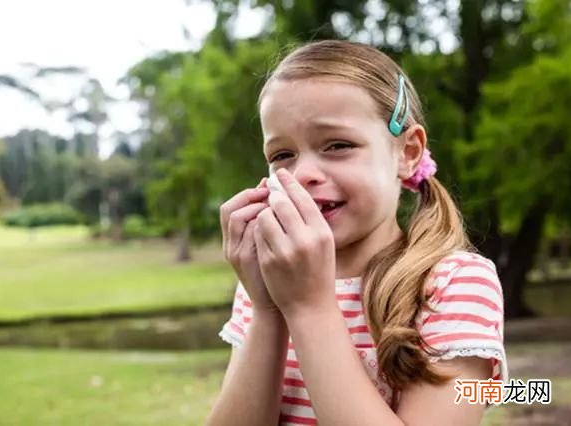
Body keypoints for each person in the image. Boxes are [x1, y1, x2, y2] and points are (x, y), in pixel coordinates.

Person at [206, 40, 508, 426]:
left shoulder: (455, 284)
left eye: (338, 145)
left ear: (408, 152)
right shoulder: (270, 280)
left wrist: (309, 306)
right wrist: (268, 309)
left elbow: (473, 394)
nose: (301, 174)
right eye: (282, 155)